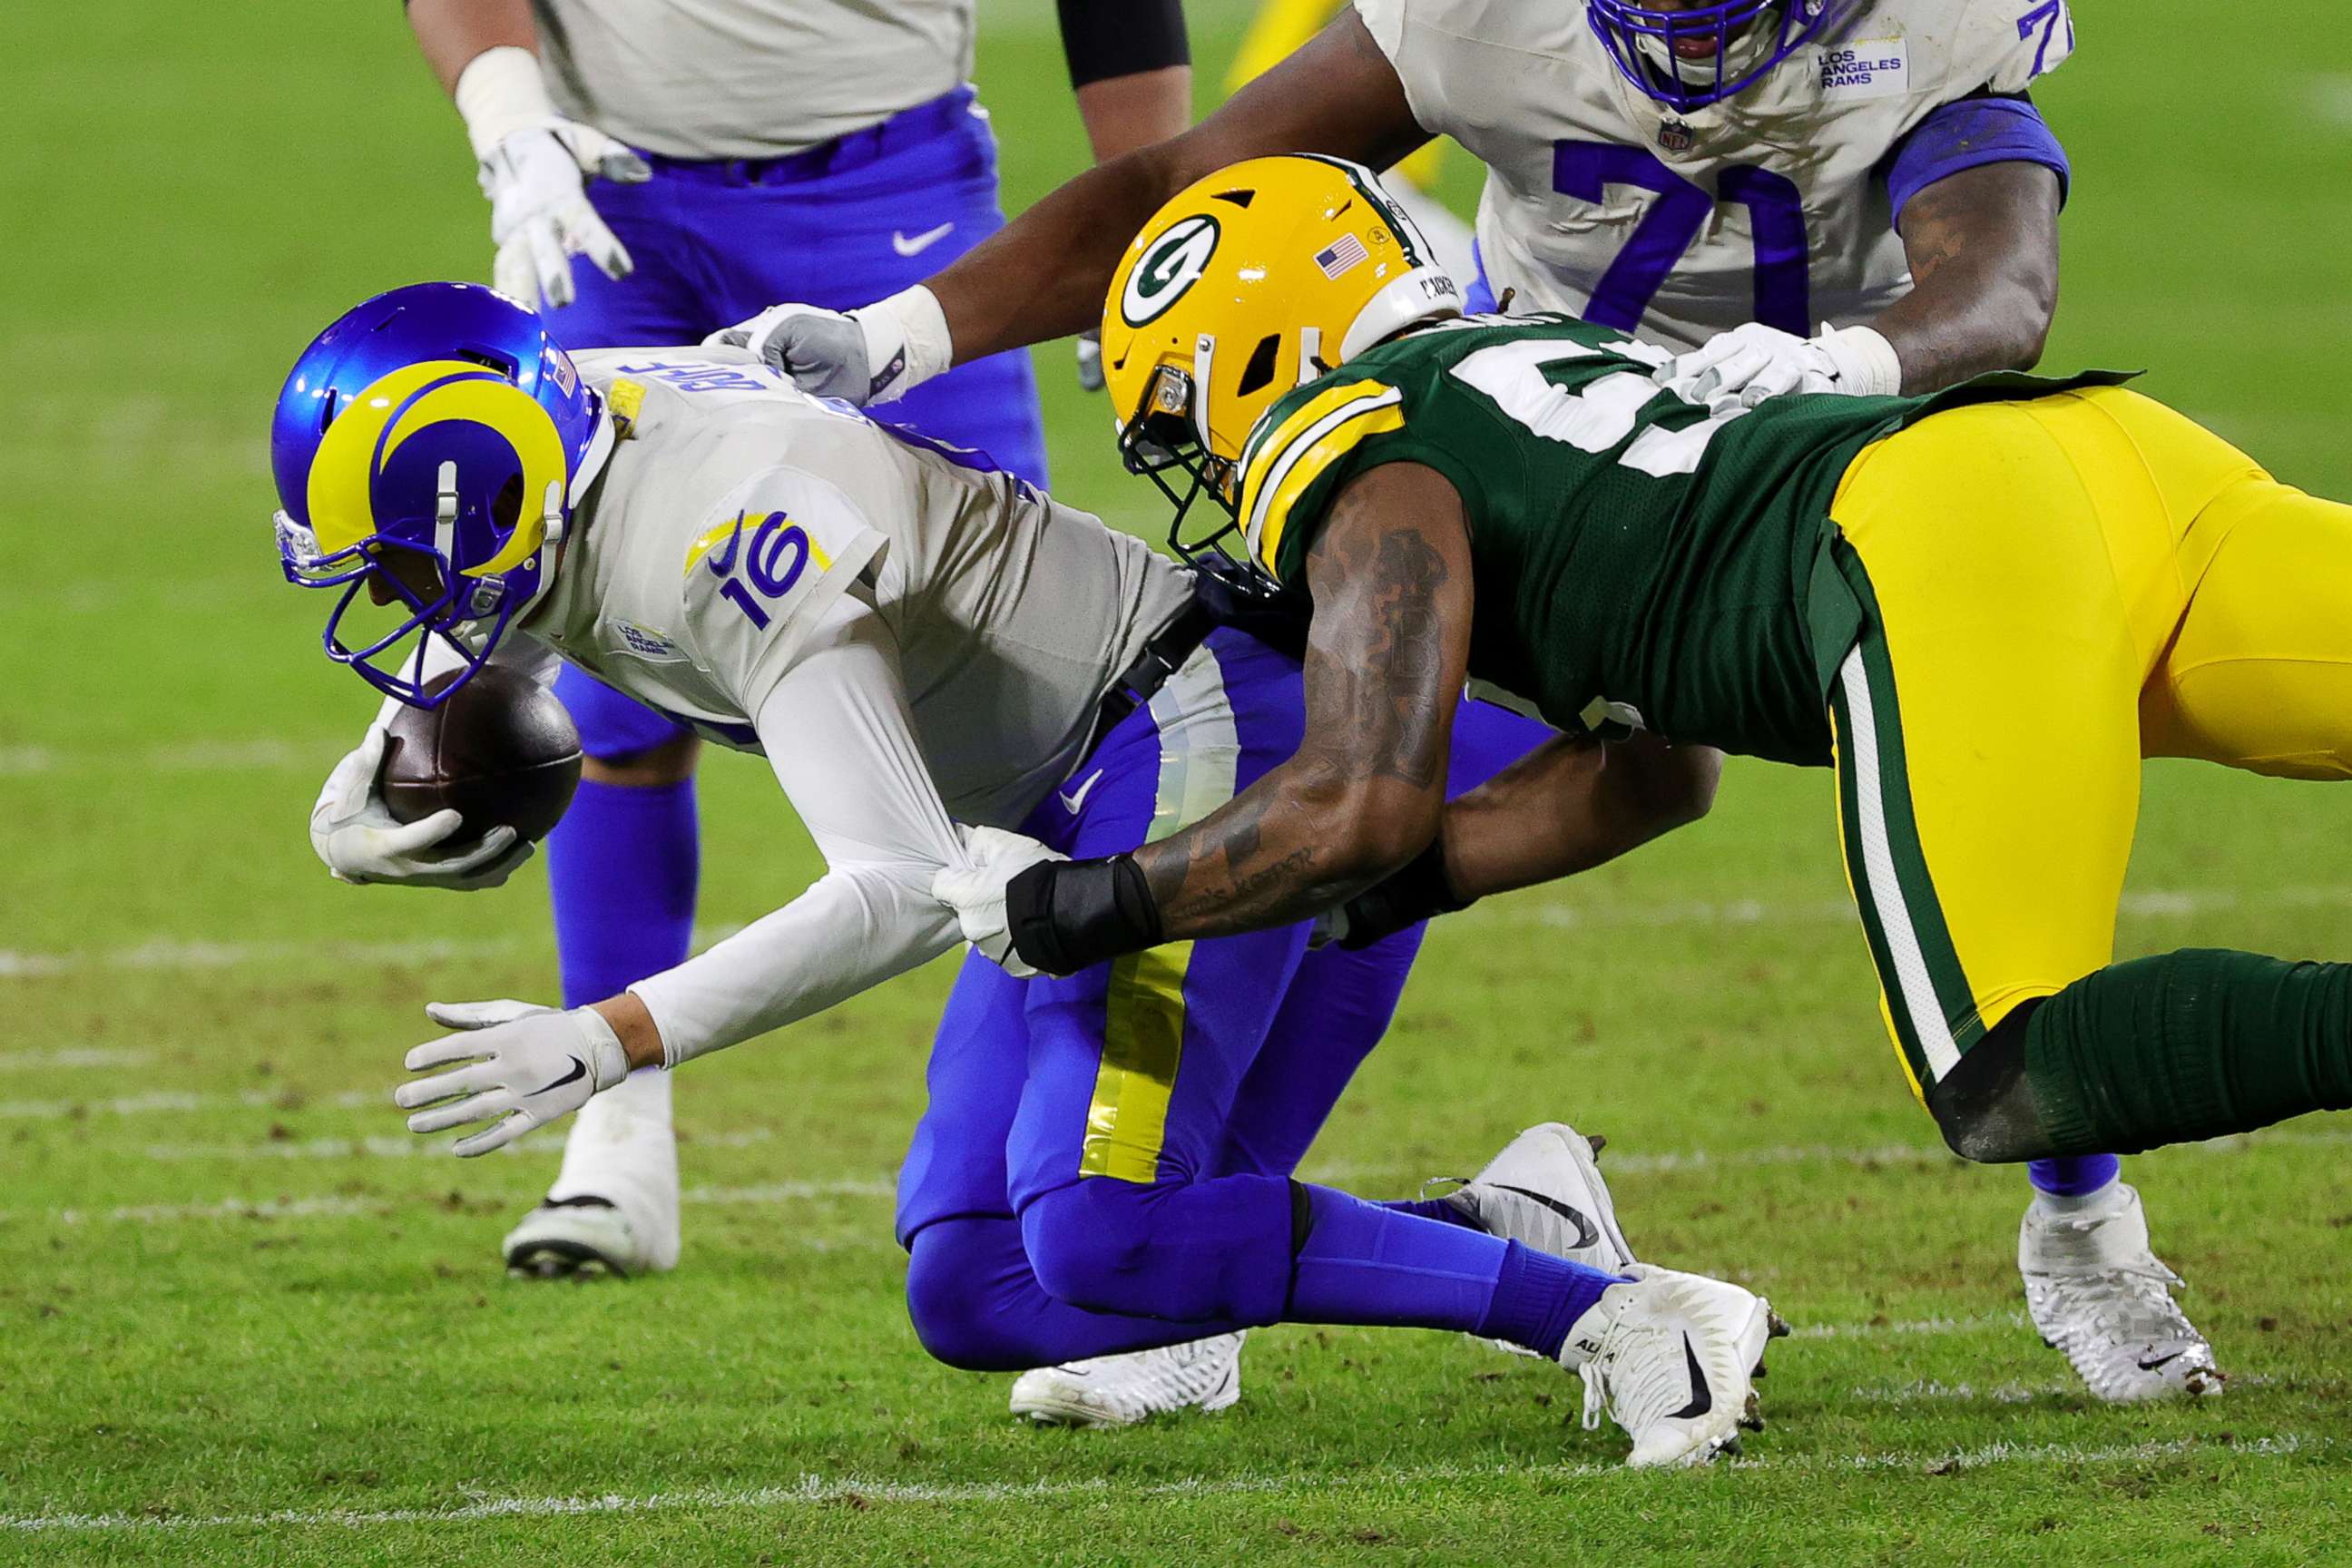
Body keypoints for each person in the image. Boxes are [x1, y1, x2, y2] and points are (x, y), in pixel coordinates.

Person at [713, 0, 2219, 1406]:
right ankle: (1252, 1268)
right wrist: (905, 330)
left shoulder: (1930, 30)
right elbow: (1191, 181)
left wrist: (1849, 356)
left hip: (1835, 500)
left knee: (1982, 845)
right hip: (1521, 480)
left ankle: (2082, 1226)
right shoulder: (1481, 20)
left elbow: (2000, 285)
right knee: (1316, 841)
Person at [271, 281, 1788, 1469]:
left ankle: (1634, 1319)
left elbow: (888, 887)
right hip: (1048, 800)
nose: (399, 607)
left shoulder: (732, 531)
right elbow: (540, 563)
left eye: (400, 566)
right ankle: (1507, 1225)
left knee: (1105, 1229)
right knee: (981, 1288)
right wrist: (395, 748)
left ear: (495, 481)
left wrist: (608, 1037)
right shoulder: (587, 431)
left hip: (1183, 736)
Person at [935, 162, 2352, 1348]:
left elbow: (1357, 797)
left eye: (1192, 419)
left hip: (1943, 540)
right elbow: (1659, 774)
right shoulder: (1541, 366)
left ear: (1265, 356)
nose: (1211, 470)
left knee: (2007, 1061)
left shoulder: (1350, 436)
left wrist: (1088, 905)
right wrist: (1375, 897)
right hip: (2106, 457)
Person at [394, 0, 1194, 1285]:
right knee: (605, 686)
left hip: (886, 183)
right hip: (607, 187)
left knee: (1031, 694)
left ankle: (1105, 1159)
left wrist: (1168, 216)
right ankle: (615, 1135)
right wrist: (510, 118)